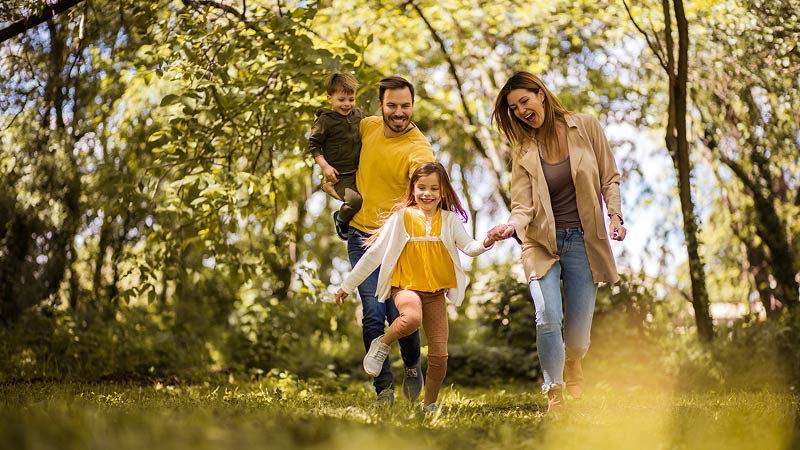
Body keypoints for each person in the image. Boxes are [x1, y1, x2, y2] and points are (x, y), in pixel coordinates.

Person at [488, 71, 627, 414]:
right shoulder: (523, 150)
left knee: (578, 338)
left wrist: (615, 216)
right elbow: (522, 205)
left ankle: (573, 360)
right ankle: (555, 392)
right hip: (540, 242)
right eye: (514, 108)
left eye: (524, 101)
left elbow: (609, 177)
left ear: (541, 94)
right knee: (547, 316)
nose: (521, 111)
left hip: (583, 240)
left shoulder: (586, 127)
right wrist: (510, 227)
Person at [335, 162, 502, 412]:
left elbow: (469, 247)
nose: (427, 193)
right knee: (411, 318)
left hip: (435, 293)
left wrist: (488, 240)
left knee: (440, 355)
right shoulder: (402, 217)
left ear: (443, 191)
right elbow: (374, 254)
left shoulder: (449, 220)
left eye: (434, 188)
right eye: (422, 187)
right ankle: (381, 343)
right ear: (413, 189)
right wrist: (347, 286)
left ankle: (429, 405)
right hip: (406, 287)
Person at [345, 76, 435, 406]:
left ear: (413, 105)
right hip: (360, 235)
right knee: (372, 313)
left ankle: (411, 365)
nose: (399, 112)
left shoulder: (418, 148)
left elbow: (426, 184)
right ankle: (383, 388)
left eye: (405, 106)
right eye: (392, 105)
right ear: (380, 105)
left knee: (400, 311)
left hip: (398, 243)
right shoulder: (368, 126)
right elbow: (338, 136)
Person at [308, 73, 365, 240]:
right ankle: (340, 219)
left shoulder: (357, 114)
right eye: (341, 100)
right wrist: (325, 166)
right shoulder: (325, 121)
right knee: (355, 202)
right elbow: (314, 145)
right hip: (340, 176)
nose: (347, 104)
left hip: (359, 170)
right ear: (330, 99)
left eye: (351, 99)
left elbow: (370, 126)